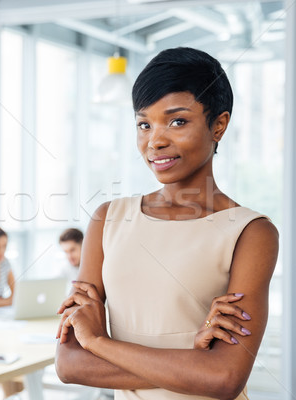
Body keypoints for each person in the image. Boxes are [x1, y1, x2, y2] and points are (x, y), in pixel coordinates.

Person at [55, 47, 279, 400]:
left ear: (218, 125)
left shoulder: (250, 232)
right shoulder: (108, 219)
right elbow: (69, 365)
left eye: (177, 121)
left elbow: (223, 378)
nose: (155, 141)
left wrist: (98, 342)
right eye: (144, 124)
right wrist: (191, 363)